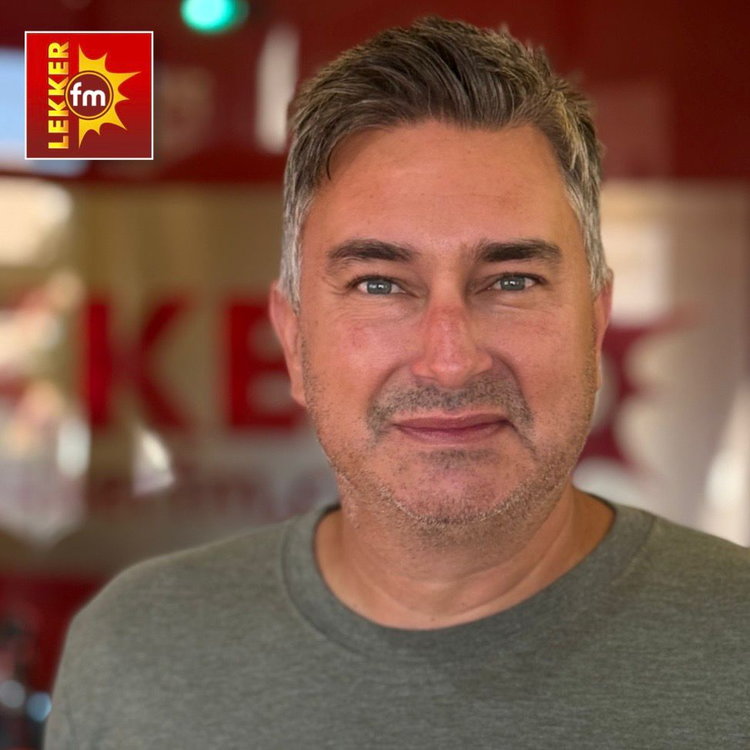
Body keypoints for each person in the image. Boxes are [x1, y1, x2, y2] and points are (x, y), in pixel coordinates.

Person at [45, 17, 748, 749]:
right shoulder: (136, 654)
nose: (450, 360)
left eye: (512, 280)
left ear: (595, 324)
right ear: (293, 341)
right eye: (379, 283)